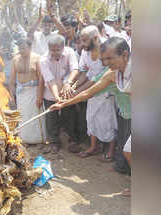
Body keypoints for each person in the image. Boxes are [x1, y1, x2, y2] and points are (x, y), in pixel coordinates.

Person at [48, 37, 131, 175]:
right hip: (127, 115)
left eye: (109, 58)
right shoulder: (111, 74)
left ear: (125, 55)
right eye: (103, 59)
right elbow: (89, 93)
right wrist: (65, 103)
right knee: (127, 149)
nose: (105, 63)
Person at [72, 25, 118, 160]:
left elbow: (95, 80)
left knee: (108, 120)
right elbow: (84, 74)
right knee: (91, 118)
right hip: (91, 92)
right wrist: (73, 87)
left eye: (85, 41)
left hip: (107, 90)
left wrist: (77, 94)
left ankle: (111, 151)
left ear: (96, 38)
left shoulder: (108, 50)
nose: (82, 44)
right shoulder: (86, 53)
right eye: (81, 41)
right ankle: (94, 147)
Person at [37, 34, 81, 154]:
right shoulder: (43, 60)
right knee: (51, 119)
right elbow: (50, 80)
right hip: (50, 94)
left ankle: (72, 140)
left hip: (67, 93)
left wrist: (67, 83)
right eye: (52, 50)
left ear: (63, 47)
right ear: (48, 48)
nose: (55, 52)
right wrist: (57, 98)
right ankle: (54, 142)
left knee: (69, 116)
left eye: (57, 50)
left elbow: (75, 70)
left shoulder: (70, 52)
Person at [9, 39, 46, 145]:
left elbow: (41, 79)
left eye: (23, 48)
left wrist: (39, 96)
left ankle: (38, 140)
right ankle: (25, 139)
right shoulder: (15, 59)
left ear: (30, 48)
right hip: (21, 93)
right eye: (20, 48)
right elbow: (11, 80)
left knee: (35, 116)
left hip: (34, 91)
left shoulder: (37, 58)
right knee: (23, 116)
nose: (21, 50)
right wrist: (11, 96)